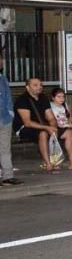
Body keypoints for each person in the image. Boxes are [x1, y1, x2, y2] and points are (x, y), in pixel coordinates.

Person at [15, 77, 63, 171]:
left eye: (41, 85)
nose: (39, 87)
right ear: (28, 87)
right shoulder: (22, 100)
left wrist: (53, 126)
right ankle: (48, 163)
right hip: (24, 128)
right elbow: (27, 122)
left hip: (42, 125)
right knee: (43, 133)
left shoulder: (43, 97)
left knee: (68, 132)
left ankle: (70, 162)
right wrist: (47, 128)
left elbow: (50, 117)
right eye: (35, 85)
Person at [49, 88, 72, 170]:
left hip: (66, 126)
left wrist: (70, 123)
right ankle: (65, 162)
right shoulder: (50, 106)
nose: (61, 99)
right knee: (69, 133)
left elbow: (69, 118)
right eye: (59, 97)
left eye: (63, 97)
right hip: (56, 127)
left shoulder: (65, 105)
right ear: (53, 98)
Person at [0, 51, 19, 185]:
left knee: (5, 148)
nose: (1, 61)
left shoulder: (3, 77)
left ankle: (7, 175)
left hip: (5, 118)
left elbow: (8, 97)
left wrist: (10, 112)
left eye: (1, 59)